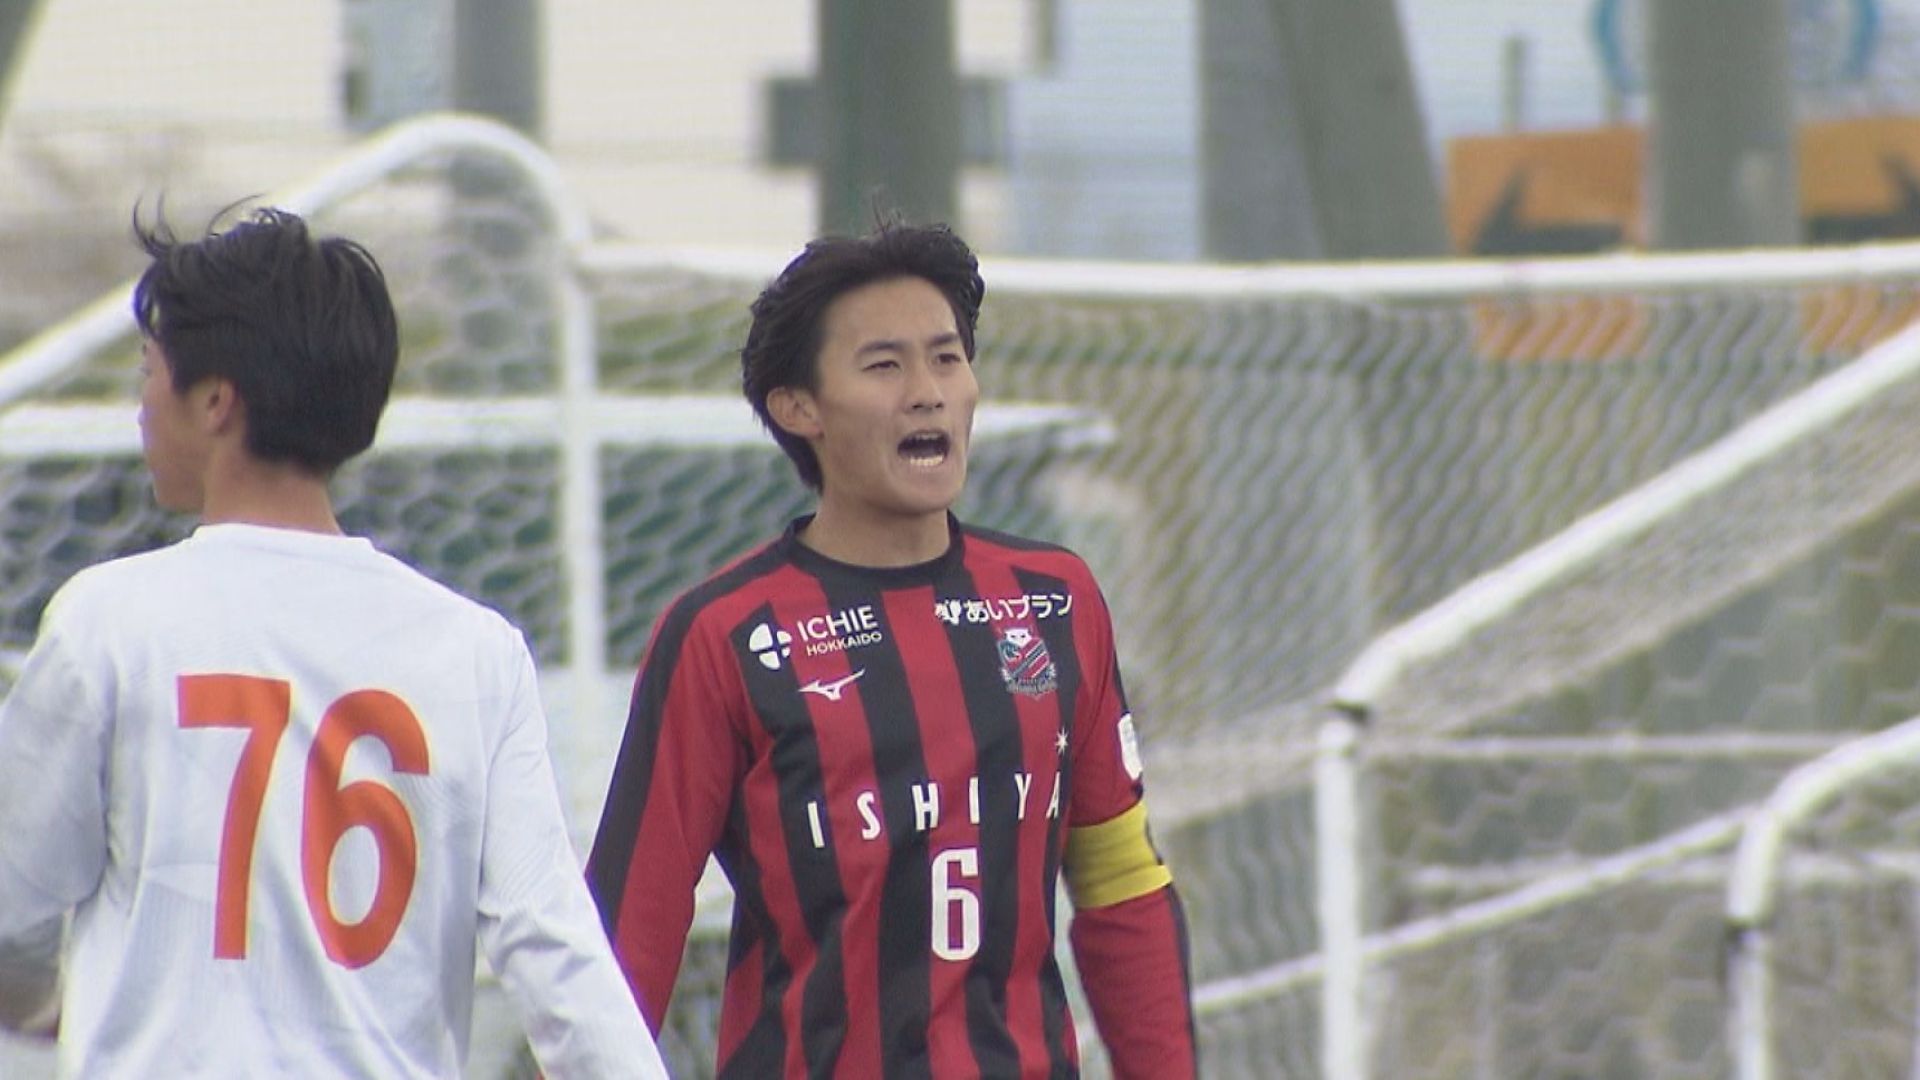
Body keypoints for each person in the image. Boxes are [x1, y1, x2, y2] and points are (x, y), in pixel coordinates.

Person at [0, 208, 670, 1079]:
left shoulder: (110, 621)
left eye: (147, 373)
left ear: (215, 402)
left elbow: (12, 896)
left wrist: (50, 1001)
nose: (140, 406)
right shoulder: (474, 651)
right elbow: (555, 948)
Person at [587, 220, 1198, 1077]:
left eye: (947, 359)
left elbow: (1119, 881)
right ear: (798, 408)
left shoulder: (1055, 601)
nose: (928, 393)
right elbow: (627, 935)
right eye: (885, 366)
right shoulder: (725, 636)